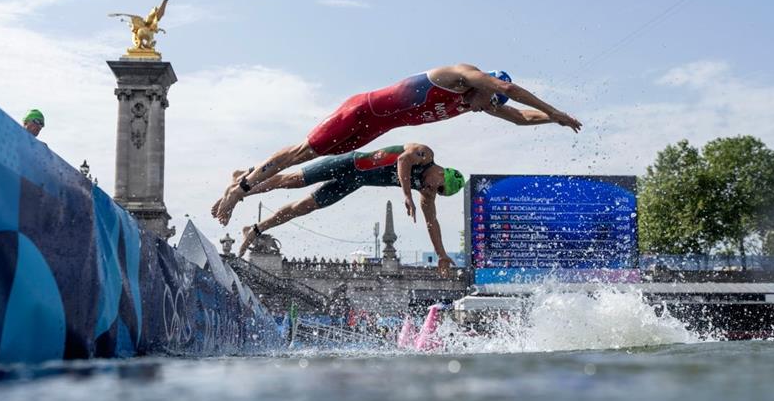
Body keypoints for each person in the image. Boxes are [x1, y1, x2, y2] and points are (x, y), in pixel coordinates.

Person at [212, 63, 582, 225]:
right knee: (303, 153)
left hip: (373, 130)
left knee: (316, 157)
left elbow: (518, 116)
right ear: (482, 87)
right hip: (360, 111)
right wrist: (554, 106)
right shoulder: (459, 77)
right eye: (482, 102)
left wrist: (556, 119)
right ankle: (239, 189)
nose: (477, 110)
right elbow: (508, 91)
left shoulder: (477, 100)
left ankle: (245, 178)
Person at [235, 143, 463, 278]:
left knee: (302, 208)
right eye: (438, 187)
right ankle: (245, 183)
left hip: (353, 182)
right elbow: (403, 160)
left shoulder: (427, 191)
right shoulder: (425, 154)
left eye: (439, 193)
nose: (433, 190)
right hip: (349, 163)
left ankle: (254, 229)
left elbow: (432, 223)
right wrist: (406, 194)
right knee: (293, 180)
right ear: (442, 173)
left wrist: (442, 254)